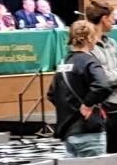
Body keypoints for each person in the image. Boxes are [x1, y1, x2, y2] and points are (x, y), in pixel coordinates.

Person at [47, 21, 113, 157]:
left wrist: (70, 108)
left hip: (68, 133)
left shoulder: (62, 63)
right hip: (89, 132)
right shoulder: (89, 61)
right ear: (90, 38)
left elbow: (52, 94)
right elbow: (103, 85)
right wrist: (87, 104)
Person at [86, 0, 117, 154]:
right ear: (104, 19)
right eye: (113, 16)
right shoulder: (88, 46)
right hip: (101, 113)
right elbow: (101, 79)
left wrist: (115, 74)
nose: (115, 20)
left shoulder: (112, 43)